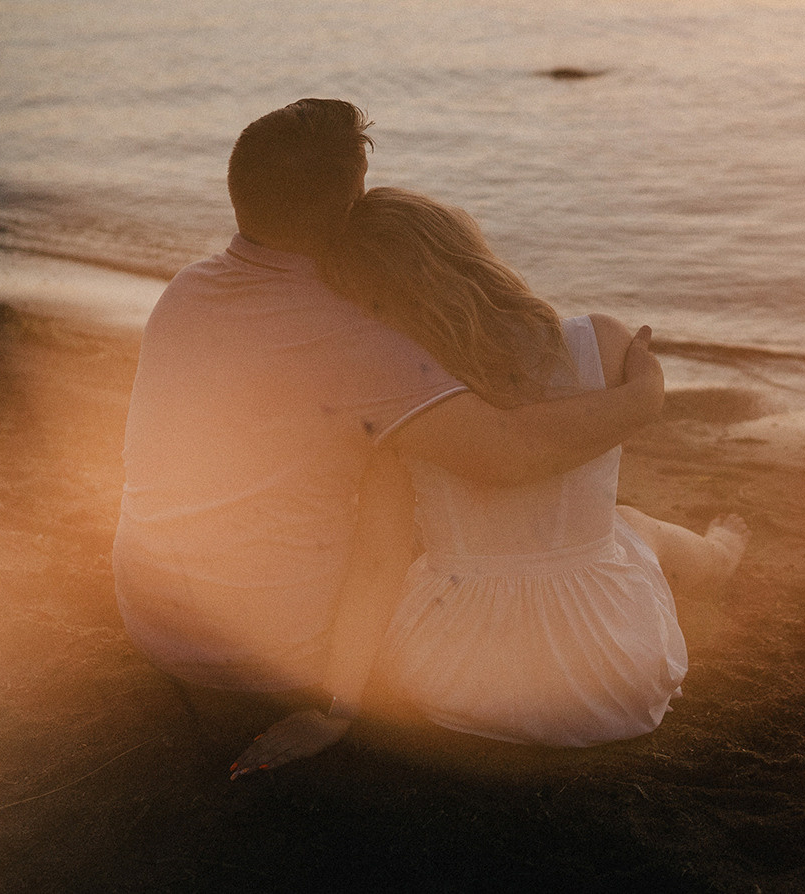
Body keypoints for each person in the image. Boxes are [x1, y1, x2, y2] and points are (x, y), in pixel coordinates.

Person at [113, 100, 666, 736]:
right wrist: (641, 400)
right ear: (354, 197)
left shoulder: (185, 292)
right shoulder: (356, 335)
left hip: (154, 620)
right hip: (270, 653)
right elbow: (509, 454)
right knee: (420, 510)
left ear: (239, 191)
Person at [231, 188, 746, 774]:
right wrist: (643, 397)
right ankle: (717, 556)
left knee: (437, 546)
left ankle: (708, 553)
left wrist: (337, 710)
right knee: (626, 524)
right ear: (466, 252)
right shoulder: (603, 342)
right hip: (611, 675)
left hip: (460, 682)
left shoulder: (400, 400)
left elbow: (379, 561)